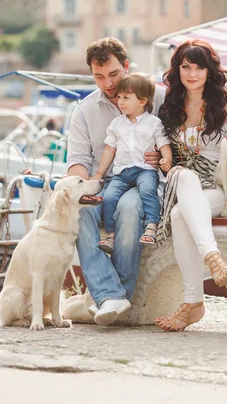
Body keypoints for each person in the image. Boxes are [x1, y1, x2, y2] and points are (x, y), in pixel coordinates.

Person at [66, 37, 165, 326]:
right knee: (81, 210)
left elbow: (176, 143)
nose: (108, 84)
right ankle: (112, 296)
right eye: (99, 77)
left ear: (126, 66)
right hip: (103, 182)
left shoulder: (155, 97)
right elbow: (79, 160)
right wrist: (77, 186)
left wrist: (162, 157)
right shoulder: (84, 111)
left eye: (113, 75)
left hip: (144, 180)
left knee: (132, 208)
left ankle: (112, 295)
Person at [154, 39, 227, 332]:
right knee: (182, 175)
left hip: (220, 187)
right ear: (177, 69)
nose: (192, 74)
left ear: (210, 71)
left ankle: (193, 304)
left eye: (199, 67)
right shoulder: (169, 107)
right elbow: (163, 150)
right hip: (183, 183)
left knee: (182, 215)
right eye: (185, 67)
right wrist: (158, 155)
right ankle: (212, 259)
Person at [93, 73, 172, 252]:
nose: (120, 101)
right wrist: (99, 174)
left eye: (126, 98)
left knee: (147, 191)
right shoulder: (116, 124)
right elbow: (109, 149)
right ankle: (111, 235)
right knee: (109, 197)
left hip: (145, 170)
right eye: (119, 97)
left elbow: (164, 144)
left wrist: (167, 159)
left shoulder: (153, 123)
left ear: (142, 101)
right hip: (121, 172)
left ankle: (152, 226)